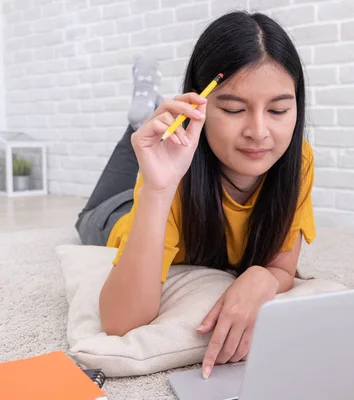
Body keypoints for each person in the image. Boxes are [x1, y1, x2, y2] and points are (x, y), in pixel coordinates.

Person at [75, 10, 315, 379]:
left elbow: (282, 266)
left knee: (150, 141)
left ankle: (147, 115)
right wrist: (157, 189)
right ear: (198, 107)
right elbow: (120, 324)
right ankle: (142, 120)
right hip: (117, 217)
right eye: (234, 109)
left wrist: (261, 278)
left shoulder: (297, 160)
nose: (259, 131)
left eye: (279, 109)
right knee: (87, 219)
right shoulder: (175, 163)